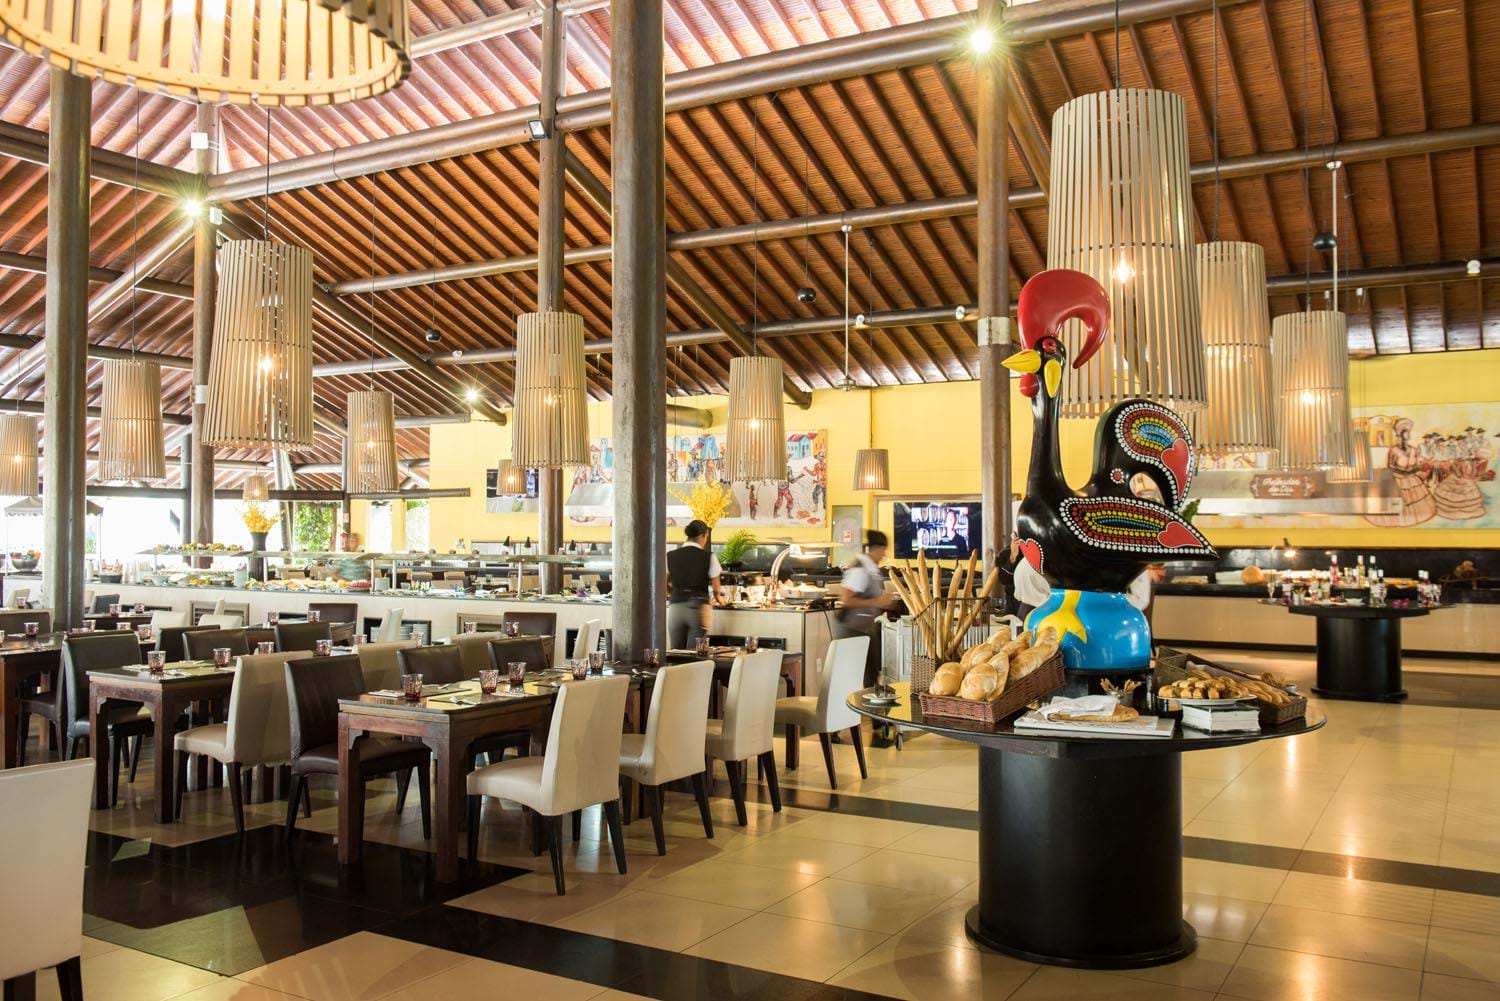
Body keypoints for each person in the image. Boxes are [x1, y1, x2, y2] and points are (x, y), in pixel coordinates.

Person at [835, 530, 898, 688]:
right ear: (876, 549)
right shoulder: (860, 570)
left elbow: (870, 596)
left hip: (865, 629)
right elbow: (846, 600)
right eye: (883, 550)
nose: (884, 554)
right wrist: (877, 601)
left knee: (871, 674)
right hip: (851, 630)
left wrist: (884, 602)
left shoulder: (871, 570)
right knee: (857, 677)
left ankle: (867, 701)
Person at [666, 520, 725, 649]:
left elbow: (663, 581)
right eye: (706, 537)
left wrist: (673, 593)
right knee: (696, 654)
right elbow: (716, 586)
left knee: (676, 653)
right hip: (698, 608)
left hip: (675, 607)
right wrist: (719, 598)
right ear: (702, 536)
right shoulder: (708, 556)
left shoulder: (670, 555)